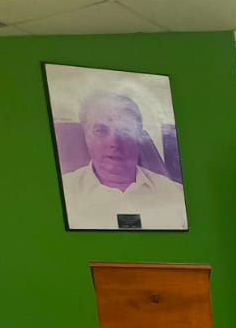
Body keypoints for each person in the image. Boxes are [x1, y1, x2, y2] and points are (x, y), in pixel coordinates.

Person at [60, 91, 186, 230]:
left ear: (139, 138)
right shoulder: (62, 193)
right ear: (87, 137)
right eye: (101, 131)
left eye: (125, 132)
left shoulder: (177, 194)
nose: (114, 143)